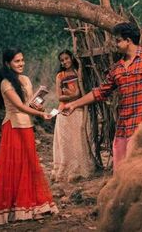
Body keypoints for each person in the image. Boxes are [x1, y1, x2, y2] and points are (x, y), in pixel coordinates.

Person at [63, 15, 142, 171]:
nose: (115, 44)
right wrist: (74, 104)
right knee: (123, 175)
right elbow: (99, 92)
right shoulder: (117, 69)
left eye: (118, 40)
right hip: (124, 131)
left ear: (128, 40)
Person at [0, 48, 58, 225]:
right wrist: (39, 114)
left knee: (30, 163)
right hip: (13, 127)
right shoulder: (5, 83)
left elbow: (29, 104)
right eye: (17, 61)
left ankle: (34, 206)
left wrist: (39, 107)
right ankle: (16, 208)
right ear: (7, 63)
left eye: (22, 60)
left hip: (27, 125)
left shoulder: (25, 79)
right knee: (16, 166)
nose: (21, 64)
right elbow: (19, 107)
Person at [52, 50, 95, 183]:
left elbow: (81, 93)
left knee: (78, 138)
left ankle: (78, 169)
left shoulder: (79, 72)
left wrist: (72, 95)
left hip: (78, 110)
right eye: (62, 60)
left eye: (66, 58)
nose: (65, 62)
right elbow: (59, 96)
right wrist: (74, 94)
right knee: (65, 140)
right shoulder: (60, 75)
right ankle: (65, 169)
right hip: (64, 111)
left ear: (71, 57)